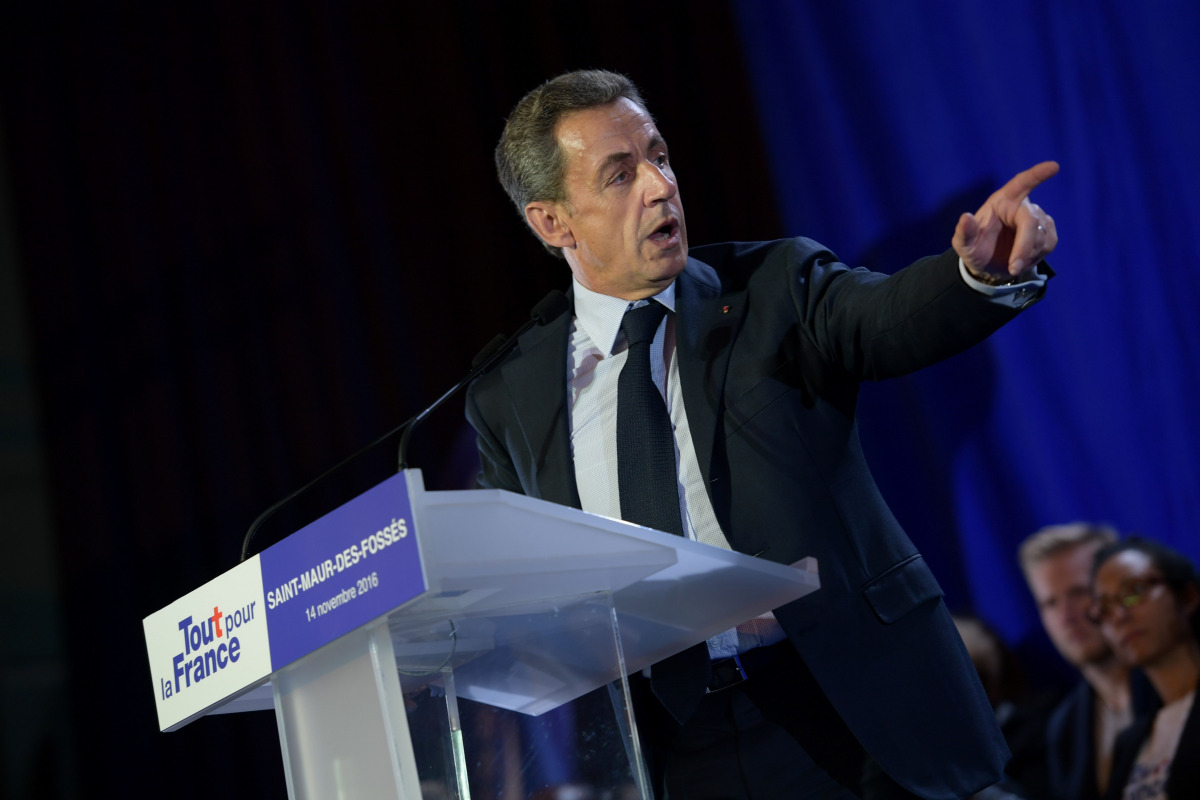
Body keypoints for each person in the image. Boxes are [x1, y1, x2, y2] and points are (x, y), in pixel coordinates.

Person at [466, 69, 1059, 799]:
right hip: (679, 746)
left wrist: (973, 277)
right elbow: (514, 574)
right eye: (621, 175)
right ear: (553, 222)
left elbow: (886, 320)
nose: (659, 186)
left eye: (659, 155)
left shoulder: (773, 286)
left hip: (851, 702)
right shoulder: (511, 394)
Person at [1018, 523, 1158, 800]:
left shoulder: (1177, 681)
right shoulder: (1063, 730)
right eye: (1050, 603)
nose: (1066, 617)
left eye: (1079, 592)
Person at [1090, 538, 1200, 800]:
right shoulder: (1129, 743)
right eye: (1104, 607)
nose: (1118, 616)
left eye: (1133, 591)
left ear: (1186, 596)